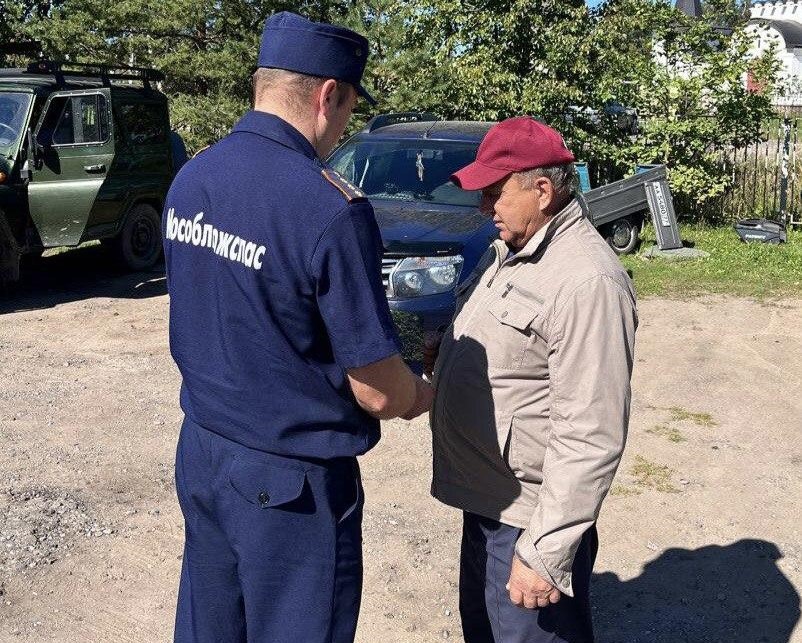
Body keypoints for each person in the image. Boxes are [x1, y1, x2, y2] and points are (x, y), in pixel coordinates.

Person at [163, 11, 433, 643]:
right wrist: (421, 390)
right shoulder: (326, 208)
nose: (343, 127)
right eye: (347, 109)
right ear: (327, 95)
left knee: (210, 628)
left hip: (204, 450)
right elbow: (376, 389)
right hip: (291, 485)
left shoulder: (193, 176)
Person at [428, 116, 638, 642]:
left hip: (528, 520)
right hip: (489, 501)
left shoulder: (587, 279)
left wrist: (545, 551)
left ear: (542, 190)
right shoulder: (514, 250)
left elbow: (591, 433)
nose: (484, 207)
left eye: (495, 193)